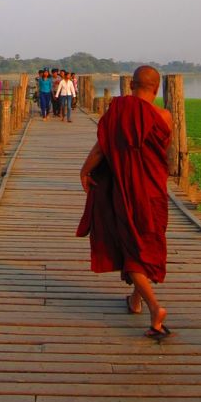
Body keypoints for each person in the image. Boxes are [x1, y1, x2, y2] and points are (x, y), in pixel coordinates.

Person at [76, 65, 174, 338]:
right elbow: (159, 151)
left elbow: (102, 149)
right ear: (156, 89)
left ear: (131, 85)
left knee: (131, 245)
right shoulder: (165, 117)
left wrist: (84, 171)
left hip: (127, 189)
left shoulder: (118, 112)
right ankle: (135, 300)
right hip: (154, 191)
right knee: (147, 243)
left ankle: (154, 307)